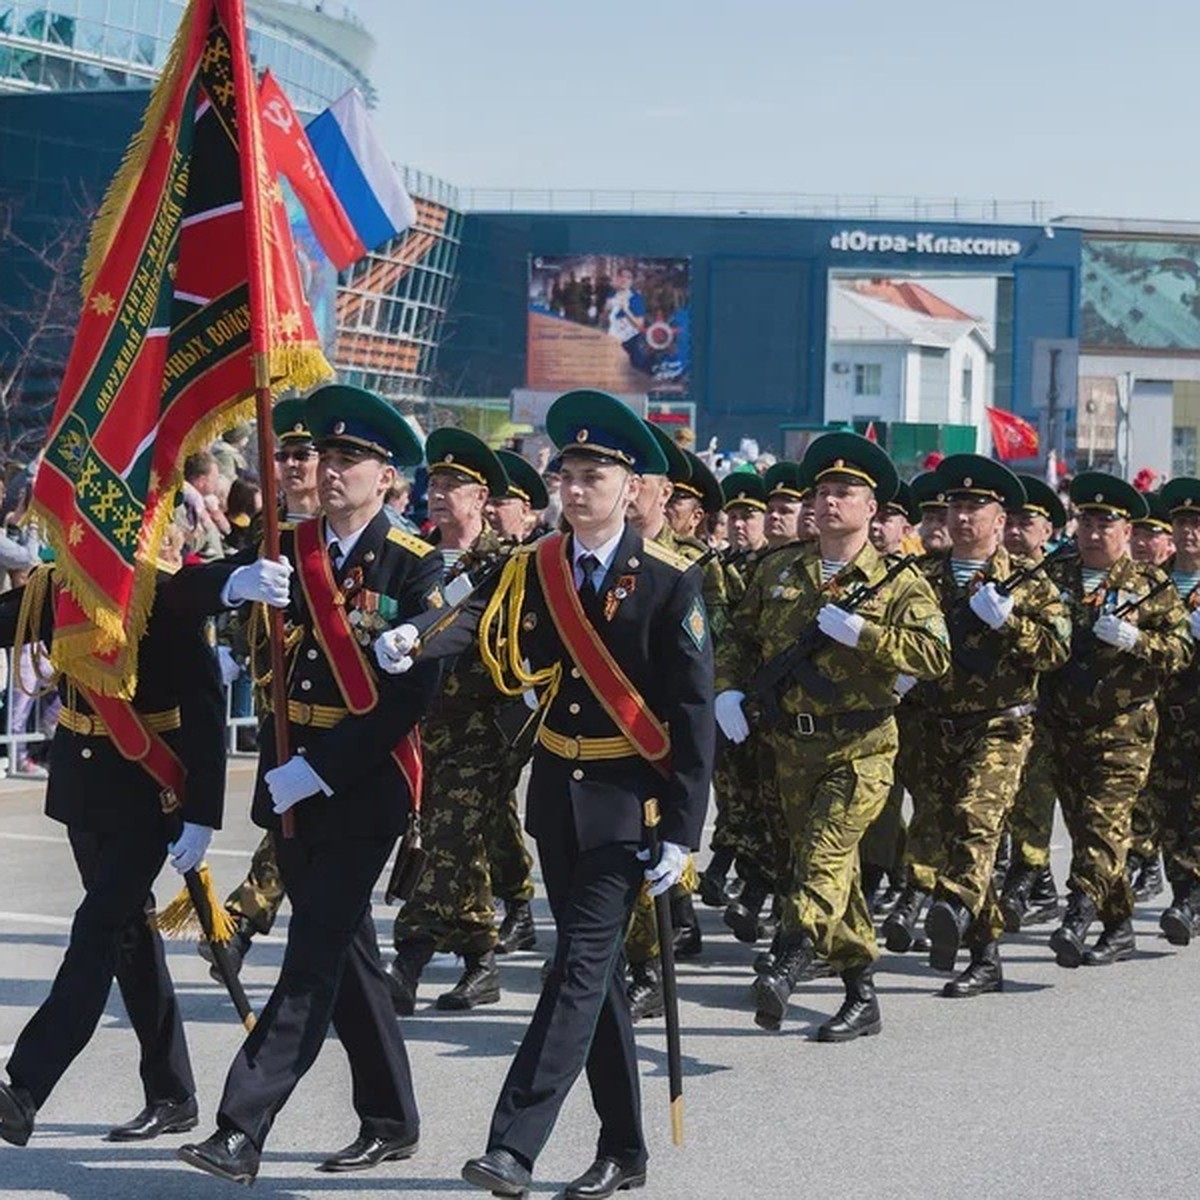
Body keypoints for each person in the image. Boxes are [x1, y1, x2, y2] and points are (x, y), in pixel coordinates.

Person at [379, 388, 714, 1199]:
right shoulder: (538, 566)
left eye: (594, 473)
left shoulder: (670, 580)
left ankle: (513, 1147)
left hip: (626, 804)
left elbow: (694, 710)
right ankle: (626, 1150)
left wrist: (682, 830)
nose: (576, 486)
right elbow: (478, 620)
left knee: (574, 969)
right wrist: (414, 640)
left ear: (631, 486)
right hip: (557, 793)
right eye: (567, 472)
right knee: (591, 985)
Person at [178, 384, 443, 1183]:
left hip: (363, 783)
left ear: (386, 477)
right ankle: (392, 1119)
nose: (331, 471)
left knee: (313, 951)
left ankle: (240, 1127)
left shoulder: (415, 563)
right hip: (289, 783)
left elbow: (413, 696)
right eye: (325, 457)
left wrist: (319, 769)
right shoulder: (286, 547)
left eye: (351, 460)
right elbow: (199, 599)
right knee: (351, 954)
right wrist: (234, 589)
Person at [716, 433, 949, 1037]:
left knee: (823, 857)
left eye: (844, 492)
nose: (828, 502)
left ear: (872, 508)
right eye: (822, 491)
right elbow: (738, 641)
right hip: (791, 748)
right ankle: (860, 992)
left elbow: (933, 654)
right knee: (829, 869)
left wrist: (864, 636)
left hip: (862, 746)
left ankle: (789, 959)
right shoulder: (777, 570)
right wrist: (727, 691)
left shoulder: (899, 583)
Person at [0, 548, 226, 1148]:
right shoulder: (59, 587)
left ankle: (25, 1088)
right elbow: (3, 620)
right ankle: (172, 1092)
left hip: (146, 791)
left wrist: (202, 813)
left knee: (97, 927)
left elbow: (206, 703)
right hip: (83, 788)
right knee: (128, 939)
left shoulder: (163, 594)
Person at [898, 456, 1069, 997]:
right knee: (950, 834)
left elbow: (1057, 649)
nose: (964, 517)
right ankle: (985, 953)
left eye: (977, 507)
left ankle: (949, 902)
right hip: (934, 726)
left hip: (1001, 724)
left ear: (1000, 520)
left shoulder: (1029, 581)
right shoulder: (921, 576)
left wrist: (1010, 622)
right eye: (957, 506)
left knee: (978, 820)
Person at [389, 428, 519, 1014]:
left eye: (454, 485)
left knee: (445, 839)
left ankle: (407, 961)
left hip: (482, 729)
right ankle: (481, 961)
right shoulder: (412, 556)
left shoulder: (507, 563)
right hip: (419, 725)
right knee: (458, 844)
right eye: (434, 483)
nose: (439, 494)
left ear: (481, 498)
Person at [1041, 473, 1191, 969]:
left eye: (1106, 522)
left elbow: (1180, 651)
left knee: (1105, 824)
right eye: (1086, 520)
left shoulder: (1150, 587)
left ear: (1127, 531)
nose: (1093, 531)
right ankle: (1120, 925)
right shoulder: (1052, 575)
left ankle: (1078, 911)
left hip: (1123, 730)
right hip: (1063, 727)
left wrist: (1136, 641)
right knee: (1087, 828)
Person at [197, 398, 322, 980]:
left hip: (333, 711)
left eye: (304, 455)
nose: (293, 466)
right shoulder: (273, 532)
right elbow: (237, 590)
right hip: (278, 705)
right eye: (285, 456)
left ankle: (242, 926)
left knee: (306, 831)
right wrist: (227, 647)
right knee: (292, 825)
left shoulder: (343, 537)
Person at [999, 474, 1071, 931]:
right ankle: (1035, 881)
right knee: (1007, 801)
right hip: (1003, 709)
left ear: (1047, 530)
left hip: (1052, 709)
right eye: (1012, 519)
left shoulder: (1061, 575)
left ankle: (1028, 877)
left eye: (1028, 521)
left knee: (1034, 798)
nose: (1016, 530)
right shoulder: (992, 570)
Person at [1141, 477, 1200, 947]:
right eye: (1181, 523)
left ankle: (1190, 896)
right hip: (1159, 715)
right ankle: (1183, 889)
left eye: (1197, 524)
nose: (1189, 533)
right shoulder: (1151, 582)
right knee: (1167, 807)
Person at [861, 480, 922, 913]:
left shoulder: (912, 578)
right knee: (877, 803)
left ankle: (901, 876)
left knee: (903, 803)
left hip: (918, 711)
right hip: (866, 711)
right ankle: (885, 874)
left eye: (888, 518)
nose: (879, 526)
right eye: (876, 516)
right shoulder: (851, 573)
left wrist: (907, 678)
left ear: (905, 526)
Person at [1126, 490, 1176, 901]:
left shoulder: (1171, 583)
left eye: (1152, 534)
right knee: (1140, 788)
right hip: (1136, 707)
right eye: (1137, 533)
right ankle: (1142, 858)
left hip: (1184, 706)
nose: (1143, 543)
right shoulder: (1126, 582)